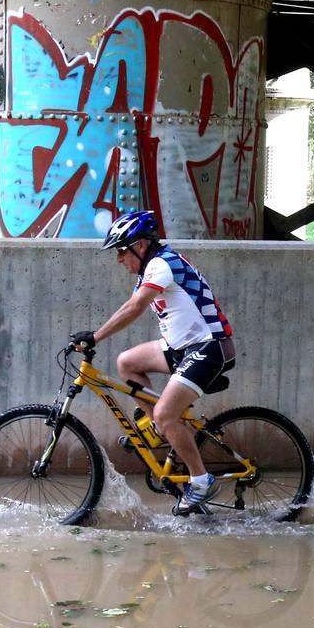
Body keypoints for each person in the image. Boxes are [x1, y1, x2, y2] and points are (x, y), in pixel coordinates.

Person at [70, 210, 235, 514]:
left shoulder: (162, 264)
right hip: (180, 347)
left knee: (165, 413)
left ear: (141, 245)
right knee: (127, 363)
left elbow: (134, 308)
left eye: (122, 250)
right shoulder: (149, 269)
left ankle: (200, 479)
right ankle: (163, 429)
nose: (119, 258)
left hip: (209, 347)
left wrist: (95, 336)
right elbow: (129, 306)